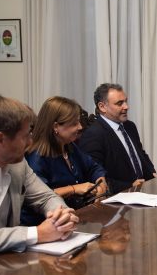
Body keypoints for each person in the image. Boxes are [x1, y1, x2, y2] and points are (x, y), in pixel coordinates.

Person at [0, 95, 79, 261]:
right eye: (26, 135)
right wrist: (37, 233)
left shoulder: (17, 163)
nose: (31, 142)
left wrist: (62, 217)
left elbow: (46, 197)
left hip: (7, 264)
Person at [22, 96, 108, 225]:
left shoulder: (69, 146)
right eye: (74, 123)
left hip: (74, 218)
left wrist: (101, 184)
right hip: (45, 224)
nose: (80, 127)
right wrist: (73, 189)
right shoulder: (36, 157)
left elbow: (94, 168)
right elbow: (39, 195)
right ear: (55, 127)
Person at [79, 83, 156, 192]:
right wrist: (129, 185)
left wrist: (152, 173)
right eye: (120, 103)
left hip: (144, 190)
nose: (126, 107)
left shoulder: (130, 126)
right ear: (102, 107)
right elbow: (94, 176)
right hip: (120, 196)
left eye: (126, 101)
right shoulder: (93, 134)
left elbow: (140, 154)